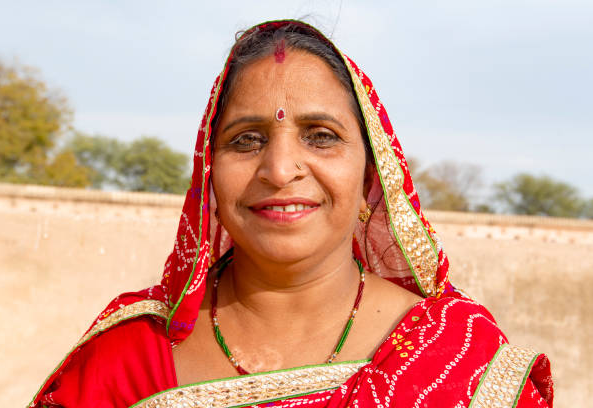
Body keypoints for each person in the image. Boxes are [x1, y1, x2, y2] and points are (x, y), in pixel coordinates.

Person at [29, 20, 553, 407]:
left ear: (372, 175)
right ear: (209, 171)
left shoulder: (464, 360)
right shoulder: (126, 358)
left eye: (321, 137)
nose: (280, 170)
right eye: (247, 139)